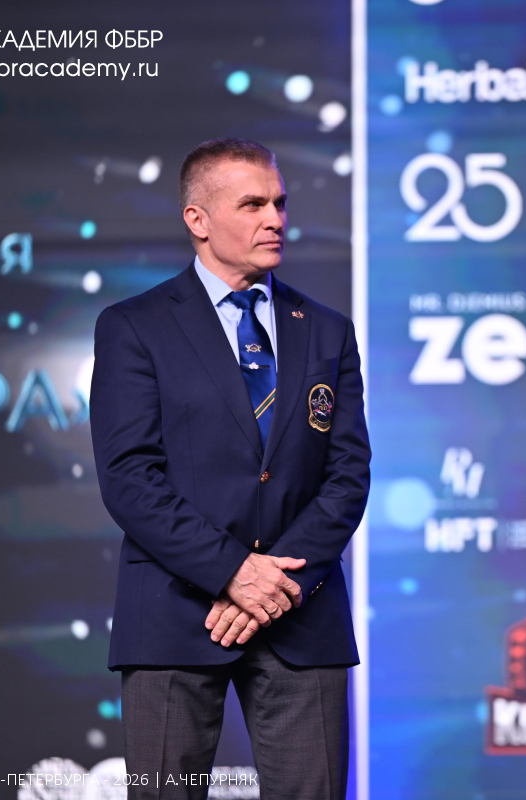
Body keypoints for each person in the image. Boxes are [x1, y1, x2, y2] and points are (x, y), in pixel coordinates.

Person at [91, 138, 369, 800]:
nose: (275, 219)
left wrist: (276, 585)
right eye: (252, 205)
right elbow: (130, 477)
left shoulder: (327, 330)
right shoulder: (135, 327)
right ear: (198, 219)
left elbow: (348, 475)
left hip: (302, 616)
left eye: (279, 203)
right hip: (174, 616)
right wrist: (233, 572)